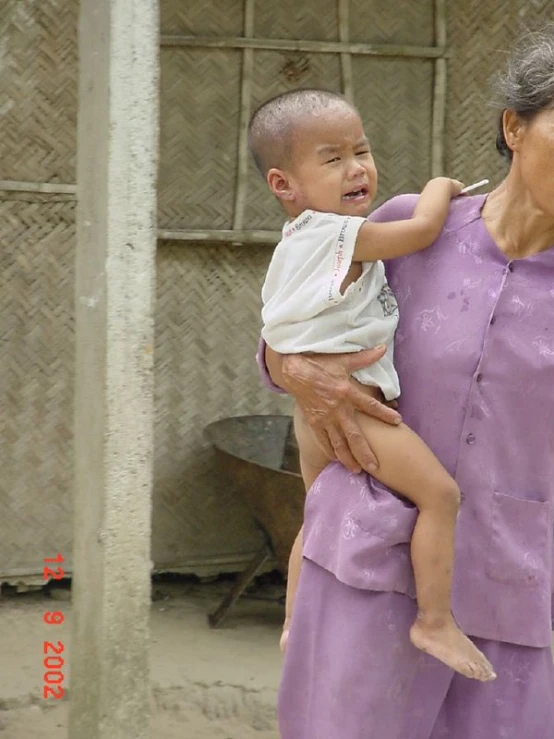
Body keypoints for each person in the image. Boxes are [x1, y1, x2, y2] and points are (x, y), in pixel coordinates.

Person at [258, 26, 554, 739]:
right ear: (514, 127)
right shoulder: (405, 230)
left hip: (515, 588)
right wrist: (294, 372)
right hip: (366, 562)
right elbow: (289, 339)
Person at [249, 88, 496, 682]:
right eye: (332, 158)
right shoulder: (339, 236)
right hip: (353, 406)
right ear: (284, 185)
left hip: (309, 411)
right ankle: (434, 620)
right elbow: (422, 231)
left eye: (361, 150)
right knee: (440, 497)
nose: (357, 167)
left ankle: (293, 623)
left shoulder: (298, 243)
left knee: (315, 513)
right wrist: (441, 188)